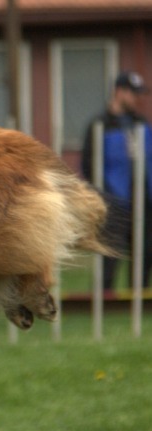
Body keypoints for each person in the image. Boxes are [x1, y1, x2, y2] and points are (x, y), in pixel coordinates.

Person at [81, 70, 152, 289]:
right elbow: (89, 165)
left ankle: (138, 295)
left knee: (145, 250)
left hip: (144, 199)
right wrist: (104, 195)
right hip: (114, 201)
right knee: (110, 252)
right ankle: (106, 297)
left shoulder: (142, 123)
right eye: (133, 93)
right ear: (118, 92)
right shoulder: (99, 124)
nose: (137, 98)